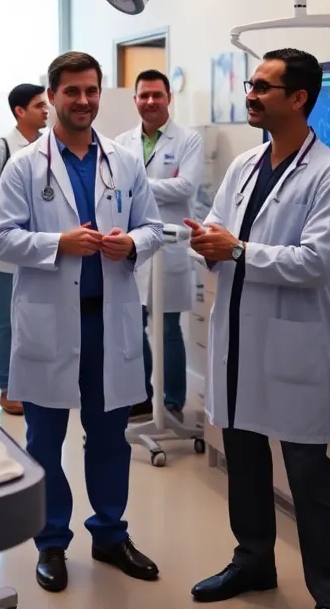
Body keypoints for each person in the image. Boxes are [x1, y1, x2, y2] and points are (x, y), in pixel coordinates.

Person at [186, 48, 330, 608]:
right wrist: (209, 243)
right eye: (251, 85)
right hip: (237, 338)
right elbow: (218, 225)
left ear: (299, 98)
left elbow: (315, 262)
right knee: (244, 457)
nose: (251, 94)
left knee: (309, 475)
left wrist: (235, 251)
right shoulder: (245, 164)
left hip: (291, 345)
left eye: (263, 86)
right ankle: (254, 560)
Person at [0, 51, 165, 594]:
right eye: (72, 92)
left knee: (110, 437)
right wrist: (56, 244)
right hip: (50, 322)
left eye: (91, 91)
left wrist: (131, 242)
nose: (83, 101)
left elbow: (154, 226)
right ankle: (51, 541)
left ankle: (110, 534)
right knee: (44, 439)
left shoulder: (123, 161)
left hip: (108, 322)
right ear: (53, 95)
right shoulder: (24, 164)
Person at [114, 68, 204, 420]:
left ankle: (173, 401)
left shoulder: (188, 140)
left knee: (167, 329)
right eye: (144, 95)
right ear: (135, 99)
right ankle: (141, 395)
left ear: (169, 98)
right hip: (135, 247)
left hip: (171, 246)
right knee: (134, 325)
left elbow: (187, 187)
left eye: (157, 95)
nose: (150, 101)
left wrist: (135, 184)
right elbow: (112, 190)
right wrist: (144, 185)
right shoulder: (121, 142)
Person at [0, 83, 48, 415]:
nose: (46, 110)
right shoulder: (0, 149)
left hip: (45, 249)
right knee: (8, 320)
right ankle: (8, 386)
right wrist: (15, 234)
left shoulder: (49, 145)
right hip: (9, 252)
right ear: (20, 111)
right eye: (39, 105)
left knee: (38, 317)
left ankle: (36, 381)